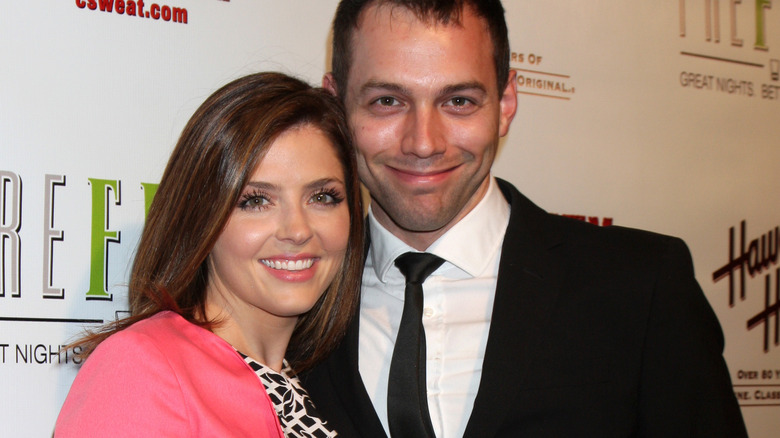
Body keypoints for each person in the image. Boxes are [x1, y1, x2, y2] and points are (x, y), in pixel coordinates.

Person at [301, 1, 749, 437]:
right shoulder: (293, 300)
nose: (423, 142)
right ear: (335, 105)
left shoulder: (641, 286)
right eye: (386, 101)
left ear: (506, 103)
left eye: (458, 100)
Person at [55, 72, 364, 437]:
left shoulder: (308, 385)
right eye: (256, 201)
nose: (297, 230)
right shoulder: (143, 369)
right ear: (202, 217)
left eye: (322, 197)